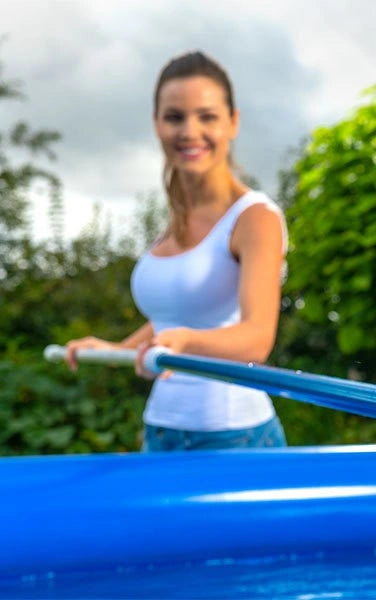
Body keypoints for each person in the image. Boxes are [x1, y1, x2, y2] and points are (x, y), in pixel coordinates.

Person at [64, 50, 288, 451]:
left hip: (233, 435)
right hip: (160, 430)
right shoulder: (176, 220)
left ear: (233, 122)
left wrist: (183, 341)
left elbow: (256, 339)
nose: (189, 130)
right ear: (157, 125)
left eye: (207, 116)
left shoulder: (255, 218)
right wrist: (117, 349)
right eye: (174, 117)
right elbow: (176, 317)